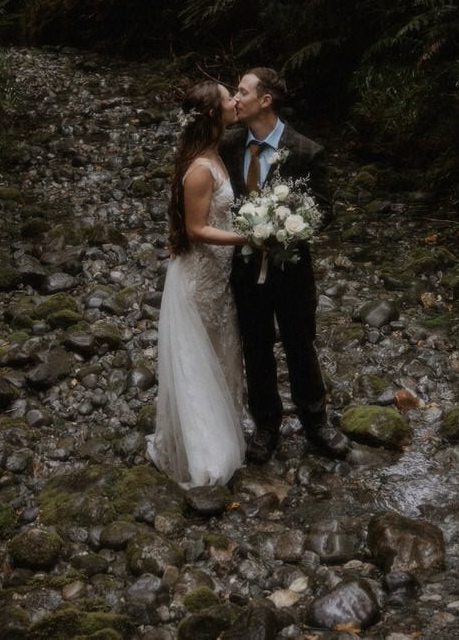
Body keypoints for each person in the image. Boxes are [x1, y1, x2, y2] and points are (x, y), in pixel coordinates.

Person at [221, 67, 350, 464]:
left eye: (242, 92)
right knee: (255, 345)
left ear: (266, 100)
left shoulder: (307, 151)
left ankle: (316, 422)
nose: (235, 98)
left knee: (300, 343)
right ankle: (265, 425)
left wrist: (287, 226)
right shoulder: (228, 145)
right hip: (243, 269)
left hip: (292, 271)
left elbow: (326, 211)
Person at [147, 80, 251, 487]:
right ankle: (201, 450)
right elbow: (195, 229)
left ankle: (223, 426)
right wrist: (250, 237)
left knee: (221, 351)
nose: (235, 102)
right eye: (229, 98)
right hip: (200, 278)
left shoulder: (216, 152)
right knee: (197, 359)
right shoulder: (199, 169)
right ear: (213, 113)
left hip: (219, 275)